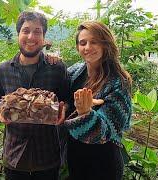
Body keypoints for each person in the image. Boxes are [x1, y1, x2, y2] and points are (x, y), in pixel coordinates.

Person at [0, 11, 70, 180]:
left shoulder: (57, 68)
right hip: (14, 157)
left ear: (44, 37)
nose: (31, 37)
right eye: (25, 31)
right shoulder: (3, 70)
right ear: (18, 34)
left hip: (48, 157)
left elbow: (67, 99)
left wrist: (64, 109)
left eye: (37, 31)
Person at [62, 21, 132, 180]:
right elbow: (59, 96)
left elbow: (106, 132)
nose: (87, 47)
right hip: (75, 156)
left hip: (104, 161)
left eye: (94, 42)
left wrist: (85, 113)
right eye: (82, 43)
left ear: (105, 44)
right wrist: (52, 61)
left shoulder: (118, 82)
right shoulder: (73, 73)